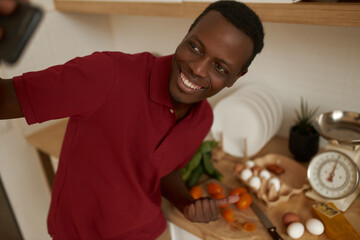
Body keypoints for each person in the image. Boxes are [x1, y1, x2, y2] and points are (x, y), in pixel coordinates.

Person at [0, 0, 264, 239]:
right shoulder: (106, 75)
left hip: (149, 232)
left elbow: (166, 170)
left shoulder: (203, 119)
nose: (197, 68)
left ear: (236, 78)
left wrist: (186, 203)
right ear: (185, 35)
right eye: (195, 47)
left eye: (220, 67)